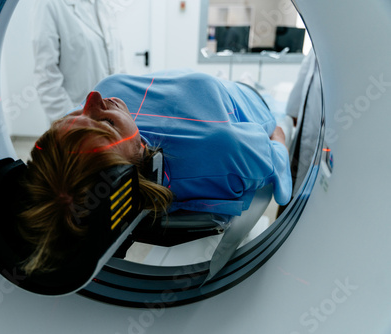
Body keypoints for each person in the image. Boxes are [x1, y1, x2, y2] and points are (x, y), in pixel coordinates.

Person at [18, 70, 292, 274]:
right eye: (105, 123)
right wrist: (279, 139)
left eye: (72, 118)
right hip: (250, 99)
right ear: (137, 150)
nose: (93, 98)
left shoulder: (94, 139)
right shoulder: (220, 149)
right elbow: (277, 172)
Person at [33, 0, 125, 124]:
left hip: (113, 117)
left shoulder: (104, 5)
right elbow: (46, 75)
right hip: (76, 120)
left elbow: (118, 63)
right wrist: (70, 121)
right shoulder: (50, 5)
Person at [285, 50, 322, 195]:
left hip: (318, 123)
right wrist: (292, 111)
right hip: (309, 119)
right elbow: (305, 75)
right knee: (296, 178)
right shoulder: (317, 49)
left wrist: (292, 111)